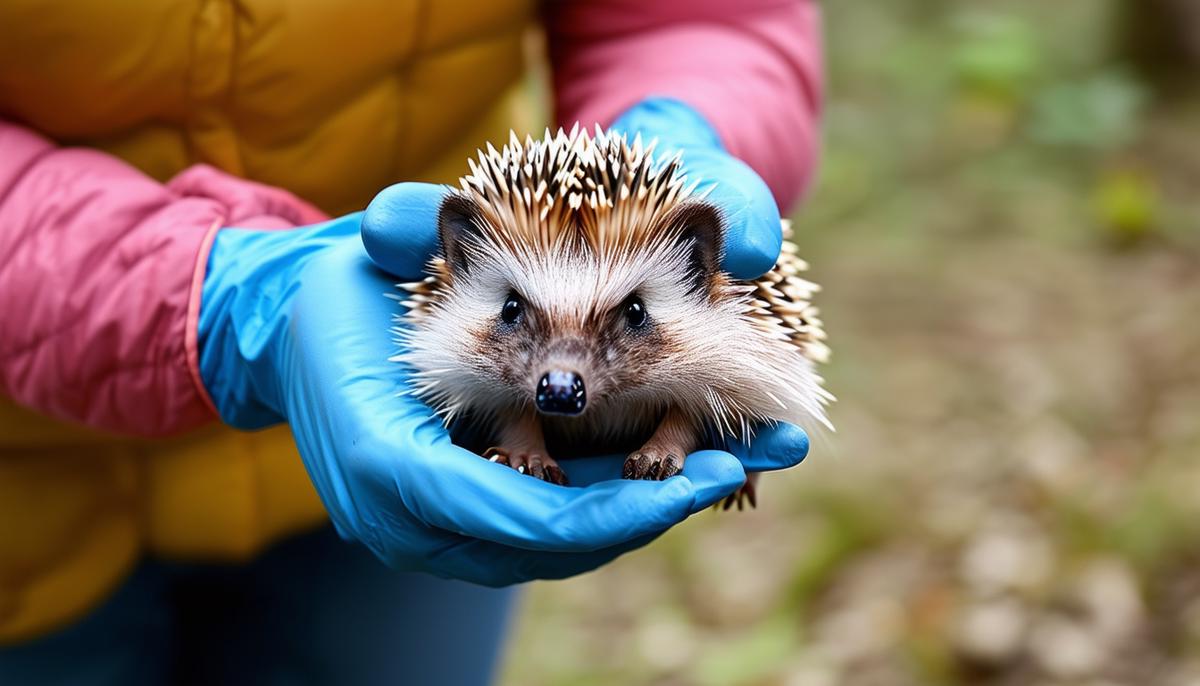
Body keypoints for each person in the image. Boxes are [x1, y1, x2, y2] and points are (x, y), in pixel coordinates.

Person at [0, 1, 823, 683]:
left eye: (628, 320)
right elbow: (491, 402)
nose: (560, 373)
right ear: (465, 267)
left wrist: (687, 113)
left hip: (379, 521)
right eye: (519, 319)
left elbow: (693, 16)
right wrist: (210, 297)